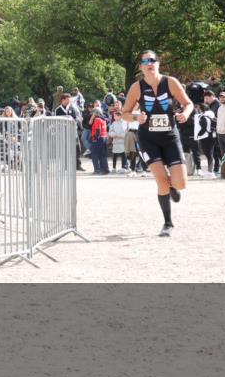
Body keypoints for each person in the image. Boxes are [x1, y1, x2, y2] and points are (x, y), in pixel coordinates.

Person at [121, 50, 194, 237]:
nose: (149, 63)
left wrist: (185, 114)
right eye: (145, 61)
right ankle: (168, 223)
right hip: (148, 140)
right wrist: (137, 116)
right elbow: (125, 113)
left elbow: (188, 104)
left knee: (181, 183)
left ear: (158, 64)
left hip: (170, 137)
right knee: (161, 181)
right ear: (141, 67)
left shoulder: (170, 82)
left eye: (152, 60)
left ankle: (173, 187)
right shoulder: (137, 87)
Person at [54, 92, 85, 171]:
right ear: (63, 100)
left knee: (77, 148)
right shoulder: (58, 110)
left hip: (73, 131)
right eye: (68, 99)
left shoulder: (72, 108)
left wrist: (77, 121)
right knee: (65, 149)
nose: (69, 101)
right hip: (63, 132)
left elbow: (75, 118)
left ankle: (78, 165)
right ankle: (65, 166)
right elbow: (56, 121)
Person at [193, 104, 217, 178]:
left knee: (208, 154)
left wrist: (198, 135)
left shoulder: (203, 117)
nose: (197, 110)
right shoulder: (211, 115)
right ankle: (210, 171)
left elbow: (203, 128)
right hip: (212, 136)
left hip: (205, 137)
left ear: (202, 109)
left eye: (198, 108)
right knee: (210, 154)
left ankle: (210, 172)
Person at [88, 107, 110, 174]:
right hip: (104, 138)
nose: (92, 114)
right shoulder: (103, 119)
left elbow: (98, 131)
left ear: (95, 113)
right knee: (103, 155)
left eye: (93, 113)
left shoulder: (97, 119)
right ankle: (105, 170)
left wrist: (95, 139)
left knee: (94, 154)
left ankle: (97, 170)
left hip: (98, 138)